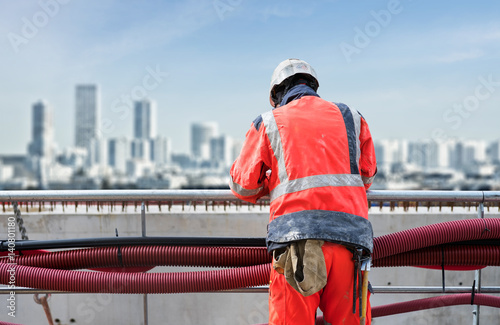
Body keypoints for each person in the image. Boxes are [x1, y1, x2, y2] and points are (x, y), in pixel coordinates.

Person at [229, 58, 377, 325]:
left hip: (296, 246)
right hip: (351, 247)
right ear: (312, 86)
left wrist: (271, 181)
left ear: (276, 94)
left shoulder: (269, 122)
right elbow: (366, 176)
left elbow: (243, 186)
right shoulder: (351, 117)